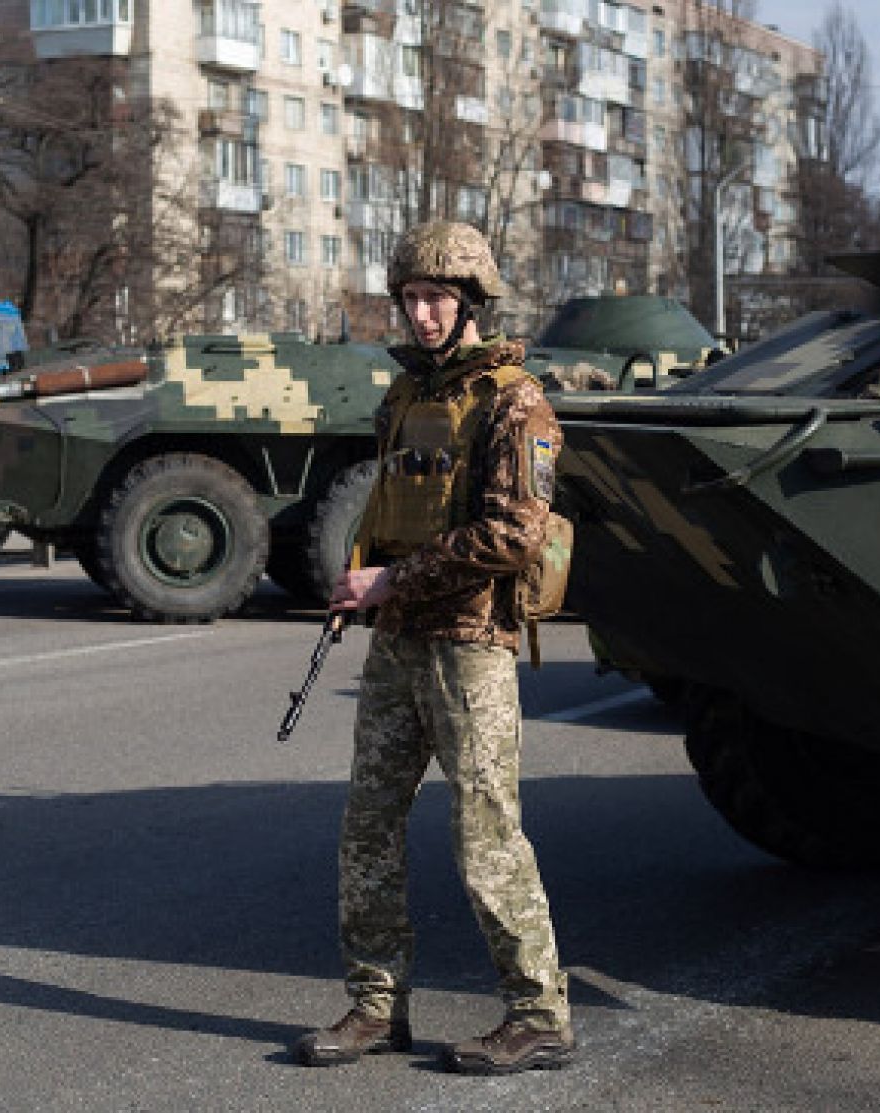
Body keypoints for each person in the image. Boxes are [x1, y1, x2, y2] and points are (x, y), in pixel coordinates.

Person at [295, 222, 574, 1075]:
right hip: (400, 641)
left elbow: (514, 532)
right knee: (368, 826)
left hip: (471, 645)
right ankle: (377, 1005)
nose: (421, 314)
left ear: (471, 303)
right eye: (411, 298)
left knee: (486, 834)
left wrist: (392, 580)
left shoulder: (515, 401)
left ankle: (539, 1014)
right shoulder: (405, 396)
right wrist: (362, 581)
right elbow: (388, 506)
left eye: (437, 299)